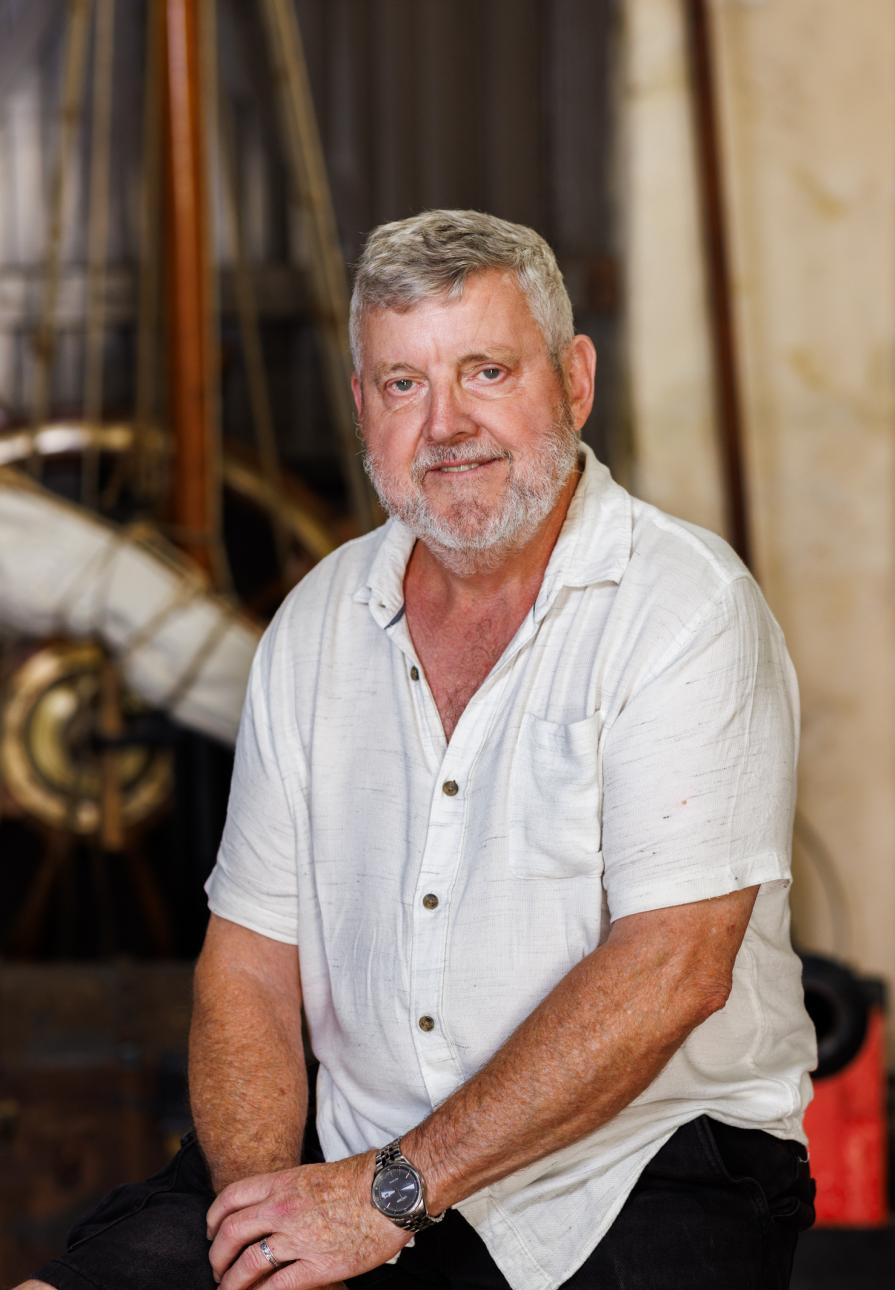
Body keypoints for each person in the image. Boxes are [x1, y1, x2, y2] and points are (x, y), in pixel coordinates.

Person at [20, 210, 816, 1290]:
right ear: (363, 409)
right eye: (404, 385)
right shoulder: (316, 623)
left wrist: (384, 1197)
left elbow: (671, 969)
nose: (446, 426)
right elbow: (250, 962)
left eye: (486, 371)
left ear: (573, 383)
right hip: (350, 1147)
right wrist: (274, 1216)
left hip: (640, 1162)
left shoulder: (686, 609)